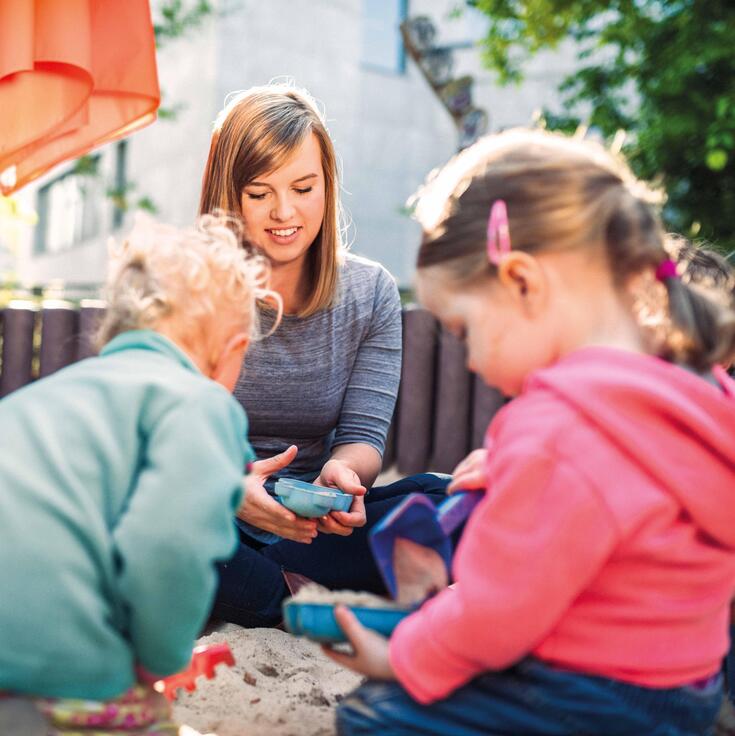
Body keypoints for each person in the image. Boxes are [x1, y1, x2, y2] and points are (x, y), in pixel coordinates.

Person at [326, 128, 735, 736]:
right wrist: (519, 473)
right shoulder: (695, 389)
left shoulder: (556, 429)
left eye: (464, 330)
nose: (467, 361)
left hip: (594, 693)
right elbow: (630, 496)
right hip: (690, 688)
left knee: (371, 714)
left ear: (521, 280)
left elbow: (494, 615)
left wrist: (401, 658)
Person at [0, 214, 274, 732]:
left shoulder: (40, 401)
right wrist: (162, 660)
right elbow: (167, 546)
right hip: (64, 674)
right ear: (231, 351)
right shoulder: (198, 404)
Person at [198, 83, 453, 628]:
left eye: (303, 186)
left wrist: (343, 475)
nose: (283, 212)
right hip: (205, 513)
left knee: (445, 499)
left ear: (328, 184)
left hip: (311, 527)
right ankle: (289, 596)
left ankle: (277, 587)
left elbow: (363, 437)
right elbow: (160, 442)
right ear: (229, 193)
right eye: (259, 192)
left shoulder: (371, 292)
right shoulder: (189, 286)